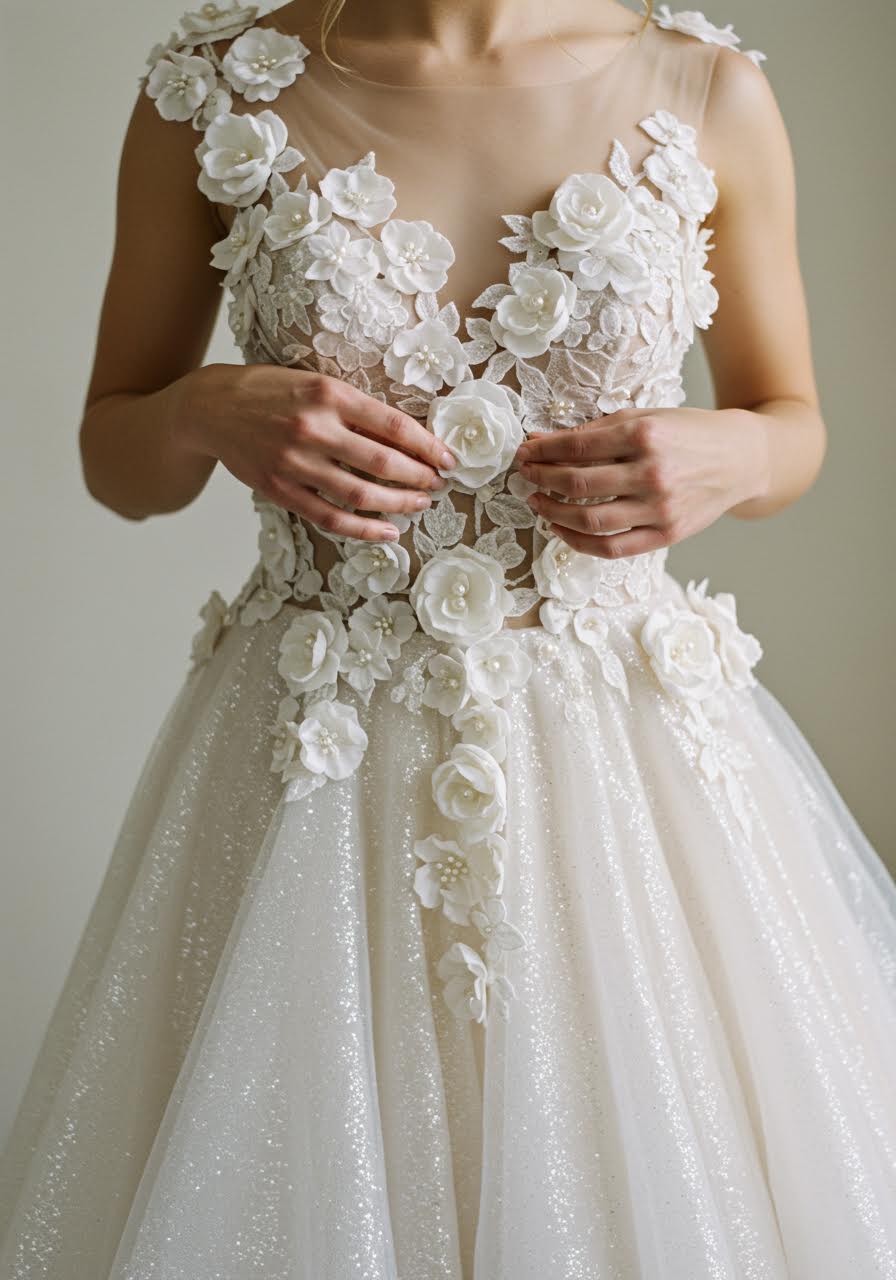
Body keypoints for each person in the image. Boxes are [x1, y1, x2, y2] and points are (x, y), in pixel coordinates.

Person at [2, 1, 895, 1275]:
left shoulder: (704, 87)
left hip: (628, 770)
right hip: (313, 758)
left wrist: (736, 448)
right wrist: (208, 408)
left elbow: (790, 418)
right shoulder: (214, 89)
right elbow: (117, 456)